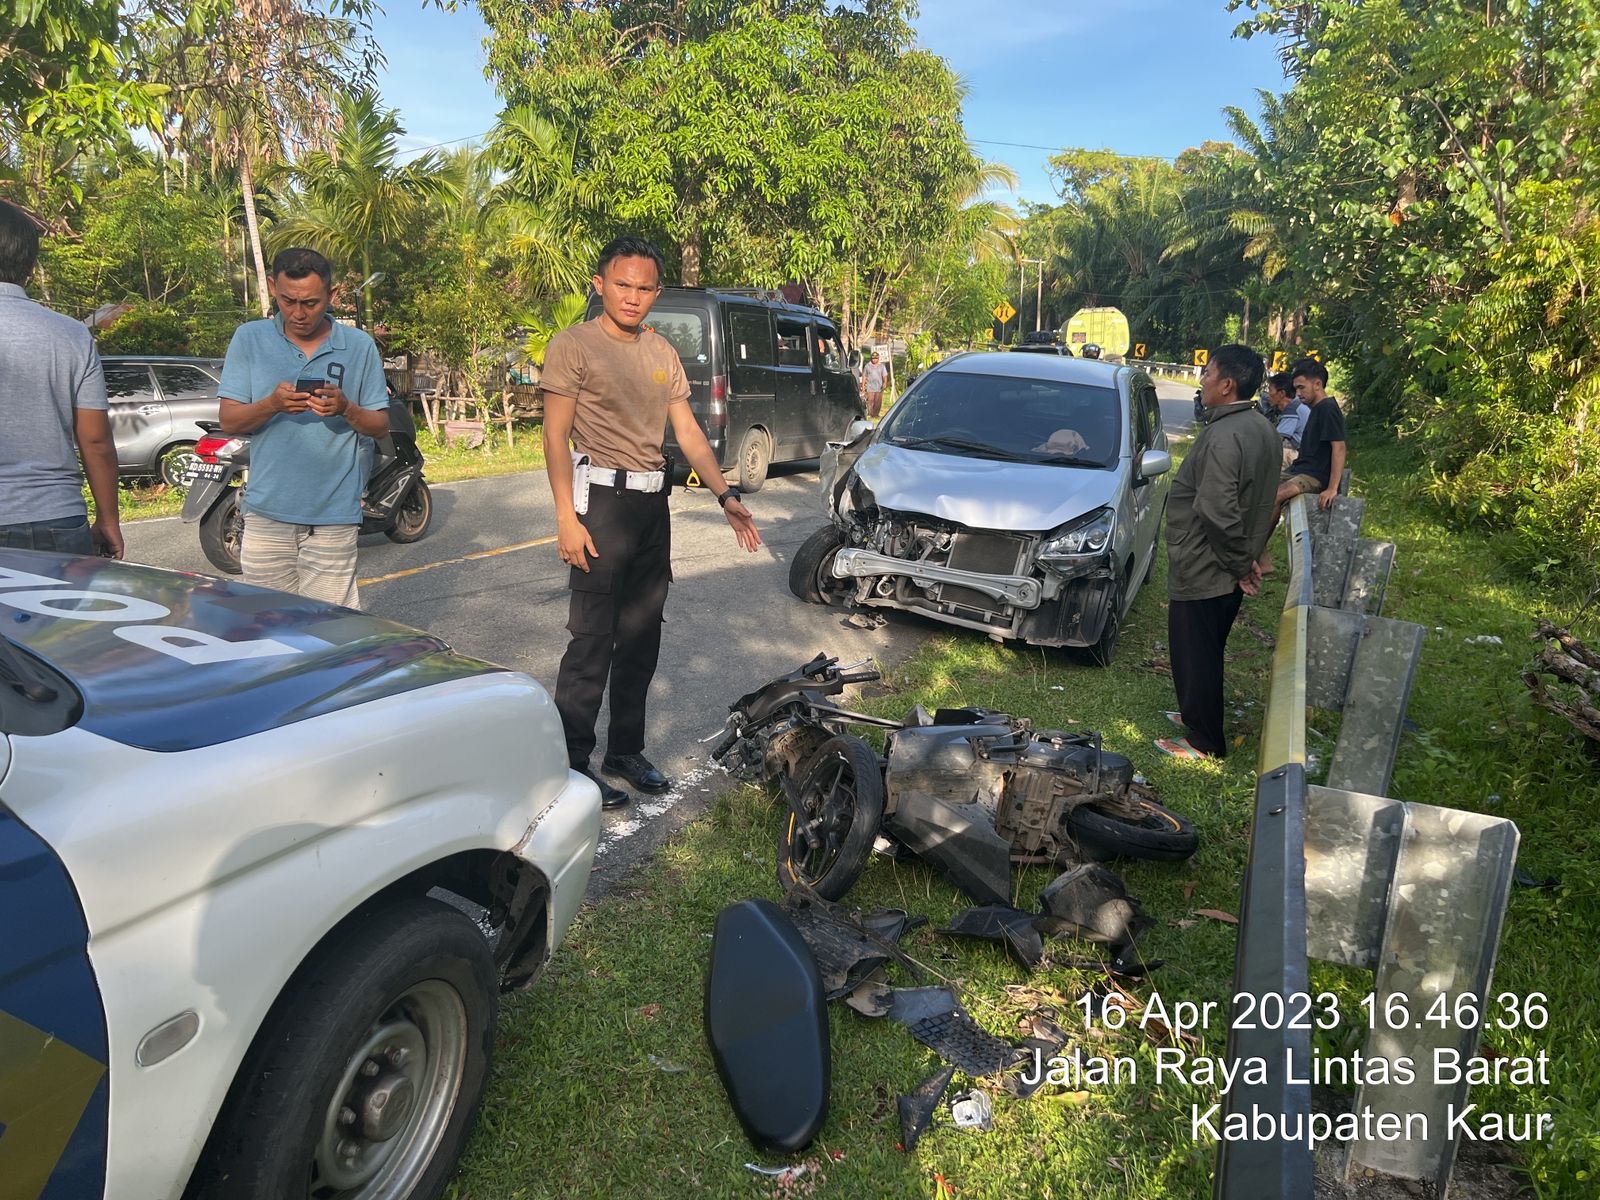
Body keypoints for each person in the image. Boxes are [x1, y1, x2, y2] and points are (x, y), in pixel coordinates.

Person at [542, 235, 761, 809]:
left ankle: (624, 751)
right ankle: (570, 763)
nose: (632, 297)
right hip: (600, 506)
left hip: (650, 506)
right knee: (591, 641)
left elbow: (687, 432)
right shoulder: (574, 346)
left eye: (643, 288)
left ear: (656, 292)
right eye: (622, 284)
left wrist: (725, 495)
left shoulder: (662, 352)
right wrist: (566, 517)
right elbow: (555, 436)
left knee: (641, 637)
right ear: (600, 284)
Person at [216, 247, 391, 607]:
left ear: (333, 295)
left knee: (330, 631)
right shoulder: (250, 339)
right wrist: (270, 404)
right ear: (271, 288)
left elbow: (379, 425)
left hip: (333, 516)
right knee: (267, 625)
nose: (298, 313)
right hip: (266, 514)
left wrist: (346, 408)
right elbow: (229, 420)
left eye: (311, 303)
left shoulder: (358, 346)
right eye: (287, 300)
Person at [1157, 344, 1280, 760]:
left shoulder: (1226, 435)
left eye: (1207, 373)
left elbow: (1217, 508)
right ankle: (1195, 714)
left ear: (1227, 384)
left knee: (1197, 649)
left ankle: (1204, 740)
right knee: (1204, 645)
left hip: (1209, 562)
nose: (1202, 379)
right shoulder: (1259, 426)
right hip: (1228, 560)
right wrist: (1247, 557)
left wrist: (1239, 564)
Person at [0, 200, 123, 558]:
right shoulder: (70, 334)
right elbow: (95, 440)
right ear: (30, 263)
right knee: (56, 617)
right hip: (56, 516)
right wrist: (109, 518)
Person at [1255, 358, 1348, 576]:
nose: (1297, 393)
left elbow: (1340, 447)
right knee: (1257, 483)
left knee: (1277, 495)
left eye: (1301, 388)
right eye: (1296, 388)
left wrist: (1332, 488)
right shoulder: (1314, 408)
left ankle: (1255, 552)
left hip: (1314, 475)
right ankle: (1262, 554)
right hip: (1300, 468)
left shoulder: (1327, 409)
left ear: (1318, 384)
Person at [1265, 370, 1307, 469]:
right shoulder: (1298, 404)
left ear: (1281, 393)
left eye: (1270, 390)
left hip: (1303, 456)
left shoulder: (1292, 409)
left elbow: (1277, 439)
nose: (1268, 395)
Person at [862, 351, 888, 419]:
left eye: (876, 358)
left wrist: (885, 383)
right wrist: (863, 387)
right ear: (871, 358)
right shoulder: (867, 366)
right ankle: (870, 413)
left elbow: (884, 375)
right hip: (870, 386)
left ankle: (876, 414)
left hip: (879, 387)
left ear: (878, 359)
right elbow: (864, 376)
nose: (874, 360)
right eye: (873, 358)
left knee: (878, 401)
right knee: (870, 400)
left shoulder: (882, 366)